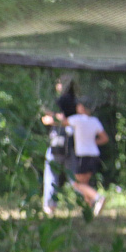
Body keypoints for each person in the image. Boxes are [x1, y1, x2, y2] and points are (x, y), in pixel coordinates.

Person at [63, 98, 109, 216]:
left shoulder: (77, 119)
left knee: (76, 184)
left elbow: (62, 121)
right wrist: (93, 142)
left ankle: (98, 198)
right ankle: (88, 211)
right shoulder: (95, 121)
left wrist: (49, 117)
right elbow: (104, 138)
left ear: (82, 107)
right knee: (85, 183)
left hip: (83, 156)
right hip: (94, 156)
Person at [40, 74, 78, 215]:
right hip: (70, 144)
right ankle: (91, 200)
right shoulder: (74, 101)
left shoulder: (65, 100)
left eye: (59, 82)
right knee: (73, 176)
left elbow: (62, 119)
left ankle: (50, 206)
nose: (57, 84)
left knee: (52, 175)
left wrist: (51, 117)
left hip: (61, 144)